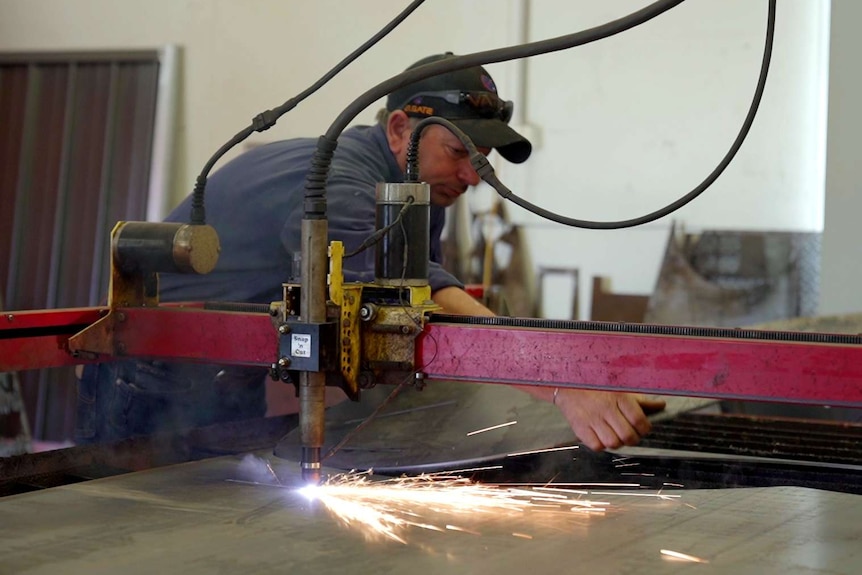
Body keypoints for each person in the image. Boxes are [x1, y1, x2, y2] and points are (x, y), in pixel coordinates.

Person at [76, 53, 664, 450]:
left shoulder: (414, 190)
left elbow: (414, 298)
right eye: (460, 153)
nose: (474, 176)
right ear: (400, 130)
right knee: (154, 529)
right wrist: (560, 377)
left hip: (228, 373)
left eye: (480, 161)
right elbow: (410, 299)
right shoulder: (338, 182)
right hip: (153, 374)